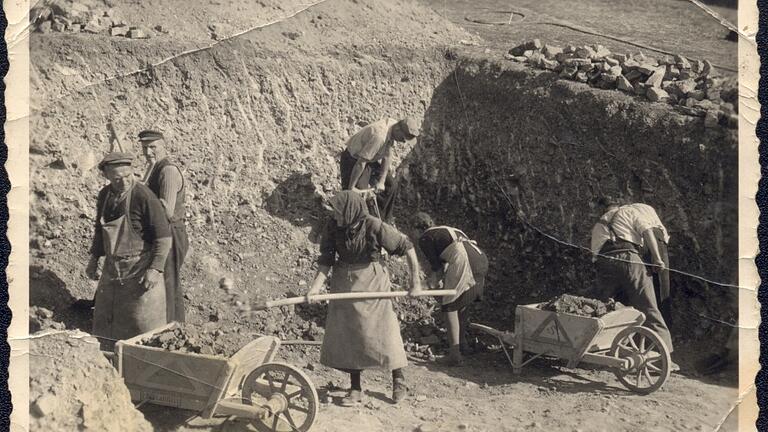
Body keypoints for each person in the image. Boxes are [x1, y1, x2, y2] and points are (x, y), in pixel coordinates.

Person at [306, 191, 423, 406]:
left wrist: (415, 283)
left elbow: (407, 247)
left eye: (339, 213)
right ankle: (355, 388)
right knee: (352, 334)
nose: (336, 217)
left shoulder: (374, 225)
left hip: (373, 280)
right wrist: (314, 289)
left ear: (350, 211)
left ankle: (399, 380)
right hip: (344, 281)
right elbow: (326, 260)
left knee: (385, 329)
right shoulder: (333, 226)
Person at [86, 152, 171, 349]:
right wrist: (94, 259)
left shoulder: (144, 196)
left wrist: (156, 269)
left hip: (141, 270)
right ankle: (106, 368)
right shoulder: (104, 195)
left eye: (127, 176)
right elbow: (100, 229)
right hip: (112, 270)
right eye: (117, 178)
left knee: (144, 330)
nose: (124, 182)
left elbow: (163, 238)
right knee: (105, 322)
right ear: (106, 176)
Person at [590, 196, 679, 371]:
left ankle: (593, 348)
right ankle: (664, 357)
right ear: (617, 204)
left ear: (601, 209)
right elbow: (647, 231)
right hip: (629, 259)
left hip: (604, 262)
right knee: (649, 306)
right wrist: (657, 258)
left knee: (601, 305)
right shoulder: (628, 211)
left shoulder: (598, 225)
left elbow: (594, 256)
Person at [414, 212, 488, 366]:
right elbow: (446, 261)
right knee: (462, 304)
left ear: (417, 228)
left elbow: (437, 270)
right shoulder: (448, 230)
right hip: (480, 259)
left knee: (449, 307)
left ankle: (454, 354)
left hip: (464, 261)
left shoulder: (426, 237)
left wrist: (425, 286)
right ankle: (462, 345)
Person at [139, 130, 189, 323]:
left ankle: (174, 328)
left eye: (153, 147)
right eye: (144, 148)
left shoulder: (167, 171)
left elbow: (166, 211)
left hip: (171, 233)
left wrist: (143, 198)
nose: (148, 152)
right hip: (160, 233)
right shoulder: (153, 167)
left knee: (169, 284)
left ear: (163, 146)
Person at [339, 117, 420, 222]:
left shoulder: (393, 126)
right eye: (403, 138)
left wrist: (381, 181)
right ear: (398, 130)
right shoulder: (379, 137)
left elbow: (387, 155)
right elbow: (360, 163)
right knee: (358, 196)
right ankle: (355, 222)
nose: (403, 142)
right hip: (353, 160)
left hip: (369, 160)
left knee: (391, 186)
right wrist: (352, 188)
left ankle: (382, 221)